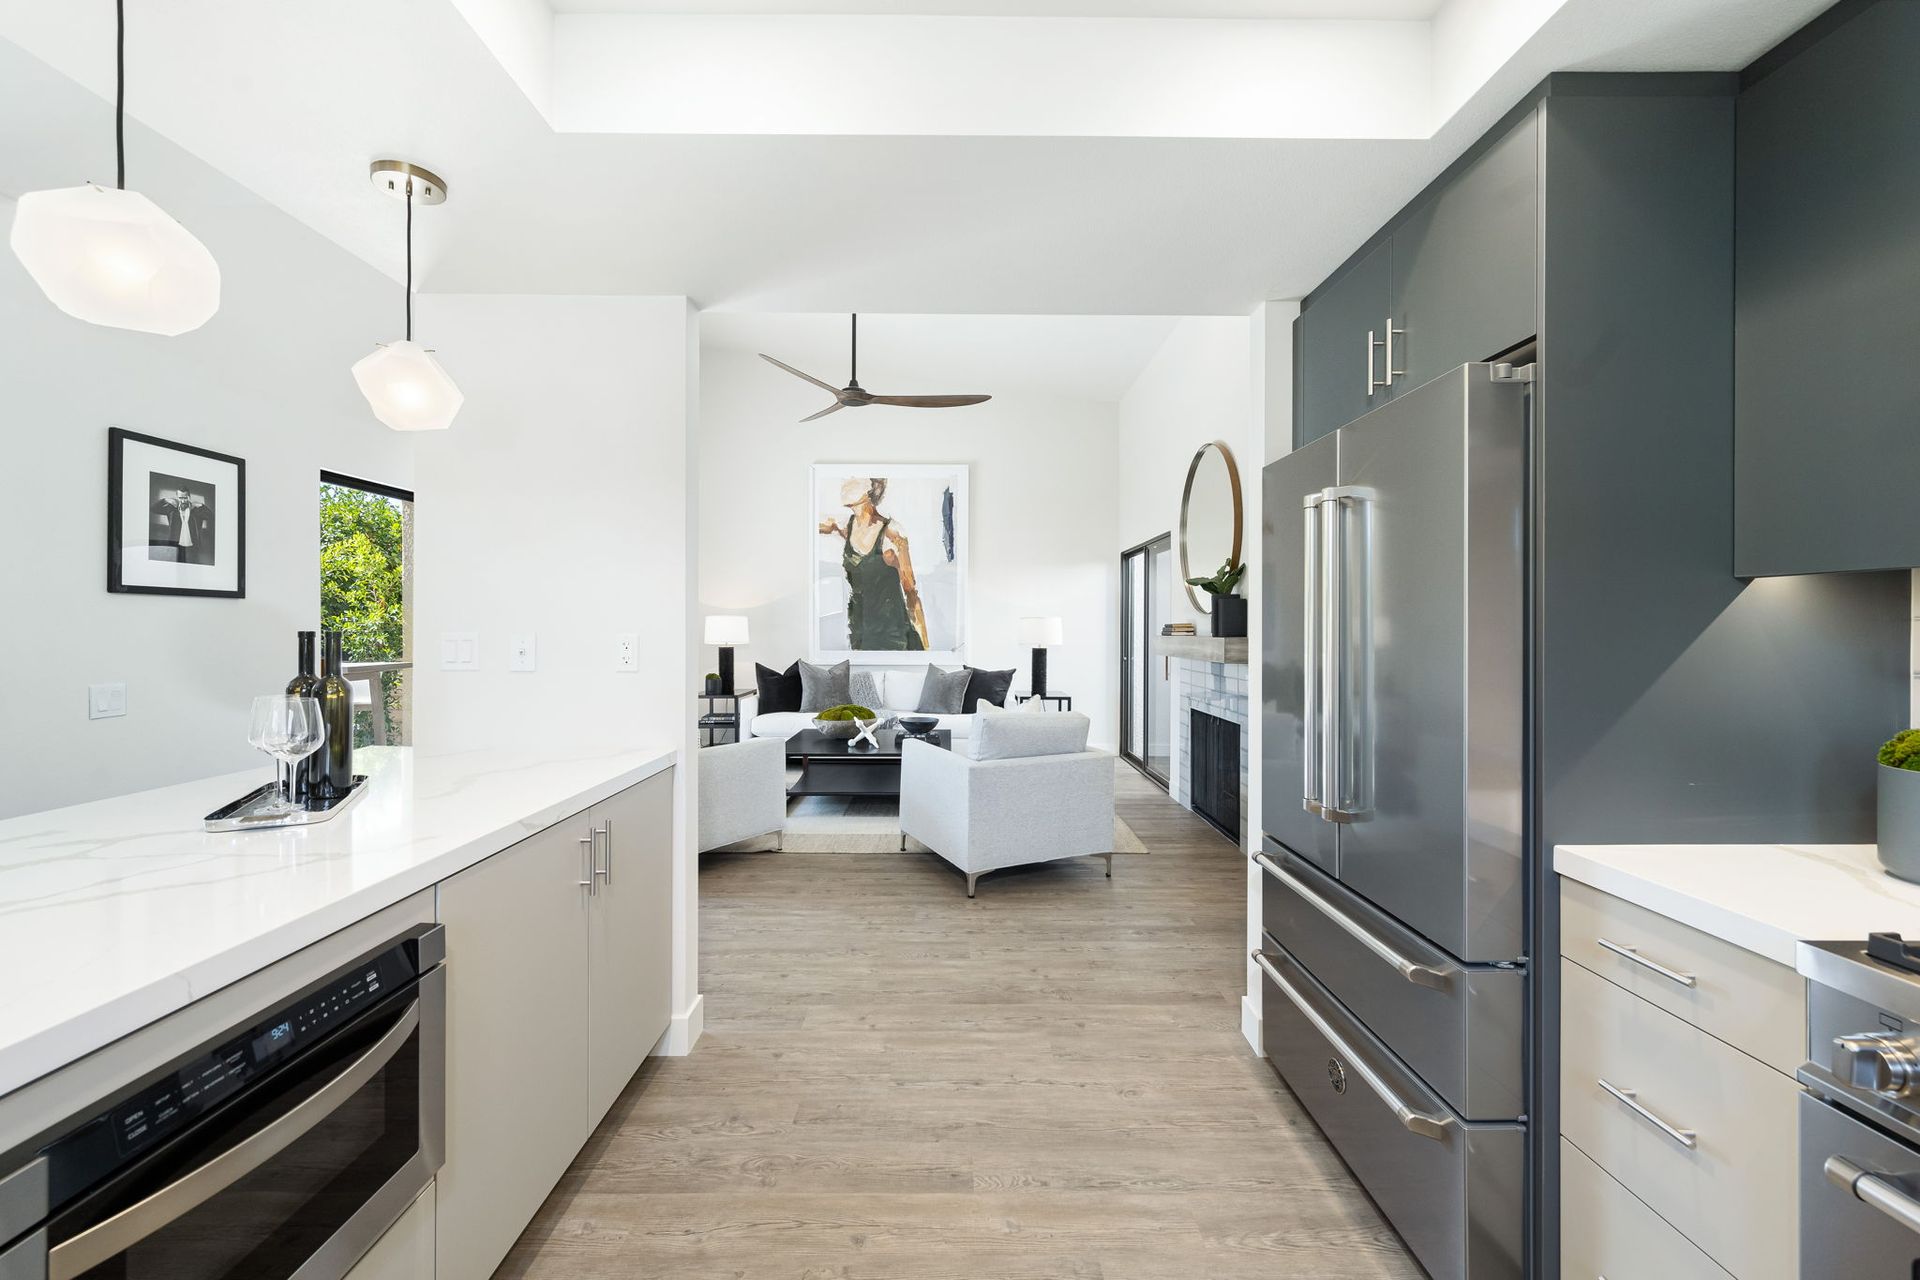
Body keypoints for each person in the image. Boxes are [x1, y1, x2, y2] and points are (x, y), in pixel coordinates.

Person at [818, 476, 928, 651]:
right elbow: (810, 523)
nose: (846, 482)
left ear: (870, 488)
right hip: (859, 633)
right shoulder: (846, 526)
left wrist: (926, 650)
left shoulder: (892, 533)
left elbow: (911, 593)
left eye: (854, 479)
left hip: (894, 637)